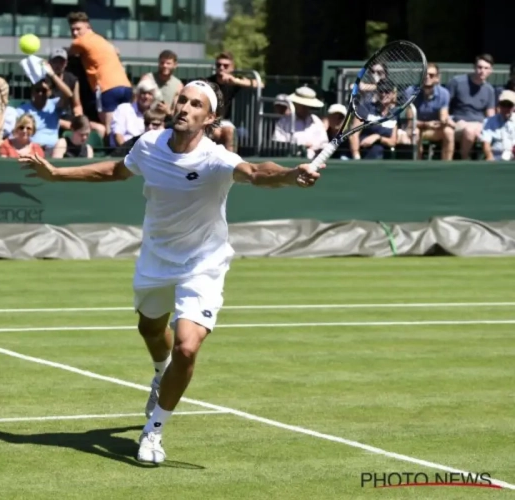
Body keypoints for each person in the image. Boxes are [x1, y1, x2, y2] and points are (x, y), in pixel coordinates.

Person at [18, 79, 320, 464]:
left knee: (187, 346)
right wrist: (56, 174)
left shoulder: (217, 158)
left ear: (210, 118)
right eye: (182, 100)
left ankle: (154, 431)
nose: (184, 107)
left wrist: (292, 174)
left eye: (195, 104)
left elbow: (259, 172)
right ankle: (161, 372)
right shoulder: (148, 144)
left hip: (202, 264)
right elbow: (114, 170)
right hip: (156, 258)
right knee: (149, 329)